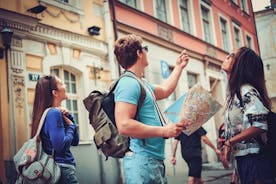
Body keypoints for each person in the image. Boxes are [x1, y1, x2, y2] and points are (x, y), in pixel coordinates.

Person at [113, 34, 189, 183]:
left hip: (153, 160)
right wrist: (164, 131)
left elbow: (166, 90)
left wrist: (179, 66)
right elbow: (124, 125)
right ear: (139, 53)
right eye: (145, 48)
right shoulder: (128, 83)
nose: (147, 52)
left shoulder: (142, 83)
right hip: (141, 161)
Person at [221, 47, 276, 184]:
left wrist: (229, 143)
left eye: (232, 56)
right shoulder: (235, 94)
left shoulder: (246, 91)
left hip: (256, 162)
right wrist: (237, 171)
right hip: (244, 161)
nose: (227, 56)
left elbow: (260, 126)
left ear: (240, 64)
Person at [31, 75, 79, 184]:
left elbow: (75, 141)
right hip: (61, 171)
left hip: (62, 169)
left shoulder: (54, 113)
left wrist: (70, 117)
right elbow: (60, 147)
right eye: (61, 83)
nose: (65, 85)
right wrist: (71, 126)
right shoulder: (53, 114)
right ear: (55, 93)